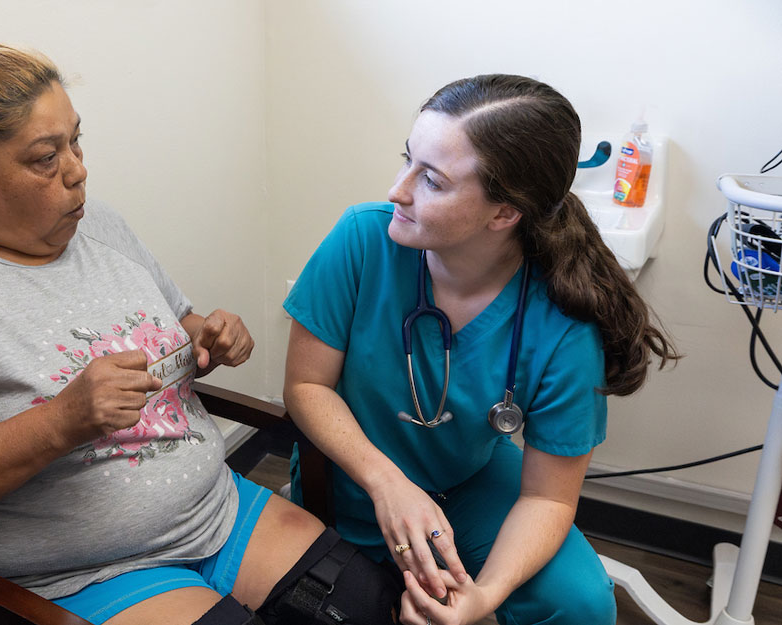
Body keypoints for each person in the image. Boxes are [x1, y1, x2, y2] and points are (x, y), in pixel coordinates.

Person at [0, 2, 401, 624]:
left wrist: (206, 336)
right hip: (63, 578)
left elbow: (171, 336)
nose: (78, 172)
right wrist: (60, 422)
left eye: (75, 141)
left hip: (212, 513)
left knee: (365, 605)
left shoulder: (99, 228)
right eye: (45, 157)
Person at [283, 74, 680, 625]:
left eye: (433, 181)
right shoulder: (362, 240)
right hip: (353, 474)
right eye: (407, 160)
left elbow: (549, 499)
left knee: (582, 604)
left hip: (466, 481)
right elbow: (306, 386)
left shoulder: (561, 324)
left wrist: (484, 599)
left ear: (504, 213)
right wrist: (389, 484)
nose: (398, 190)